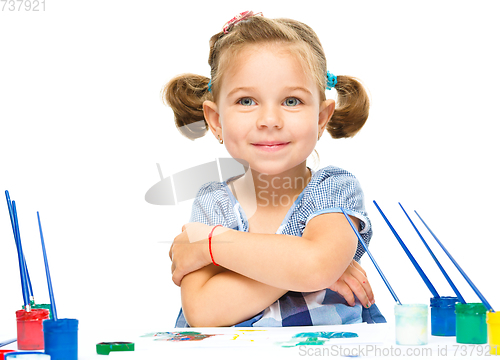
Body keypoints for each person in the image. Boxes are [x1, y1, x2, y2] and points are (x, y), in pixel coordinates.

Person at [163, 11, 385, 327]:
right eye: (246, 101)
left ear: (321, 117)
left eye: (292, 101)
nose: (270, 119)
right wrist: (309, 269)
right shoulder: (214, 202)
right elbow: (204, 312)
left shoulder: (334, 188)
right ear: (215, 120)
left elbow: (315, 264)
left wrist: (211, 244)